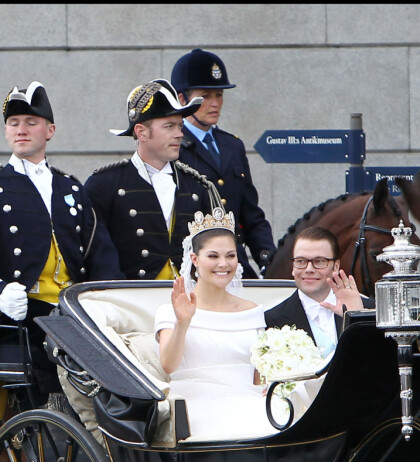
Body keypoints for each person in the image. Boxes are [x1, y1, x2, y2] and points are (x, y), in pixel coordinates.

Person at [0, 80, 123, 418]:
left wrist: (105, 304)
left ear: (49, 130)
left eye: (31, 122)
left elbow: (101, 256)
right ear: (6, 132)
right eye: (13, 123)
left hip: (71, 313)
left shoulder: (71, 188)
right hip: (20, 313)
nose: (21, 130)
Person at [154, 207, 277, 441]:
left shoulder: (252, 311)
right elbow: (168, 365)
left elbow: (258, 377)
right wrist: (183, 322)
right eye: (213, 256)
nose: (223, 264)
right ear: (195, 260)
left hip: (249, 404)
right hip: (195, 406)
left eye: (230, 256)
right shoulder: (170, 311)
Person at [84, 79, 223, 280]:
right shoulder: (105, 185)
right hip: (131, 301)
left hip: (190, 299)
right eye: (169, 126)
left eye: (180, 126)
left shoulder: (198, 185)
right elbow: (98, 257)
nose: (179, 134)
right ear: (141, 132)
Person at [171, 48, 276, 279]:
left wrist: (269, 261)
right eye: (205, 96)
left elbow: (251, 214)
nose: (215, 103)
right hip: (194, 271)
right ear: (182, 98)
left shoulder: (232, 146)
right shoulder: (173, 146)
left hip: (236, 266)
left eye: (219, 95)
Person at [264, 226, 375, 357]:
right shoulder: (271, 319)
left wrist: (357, 318)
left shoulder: (369, 310)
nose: (309, 269)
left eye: (319, 261)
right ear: (293, 267)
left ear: (336, 266)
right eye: (301, 261)